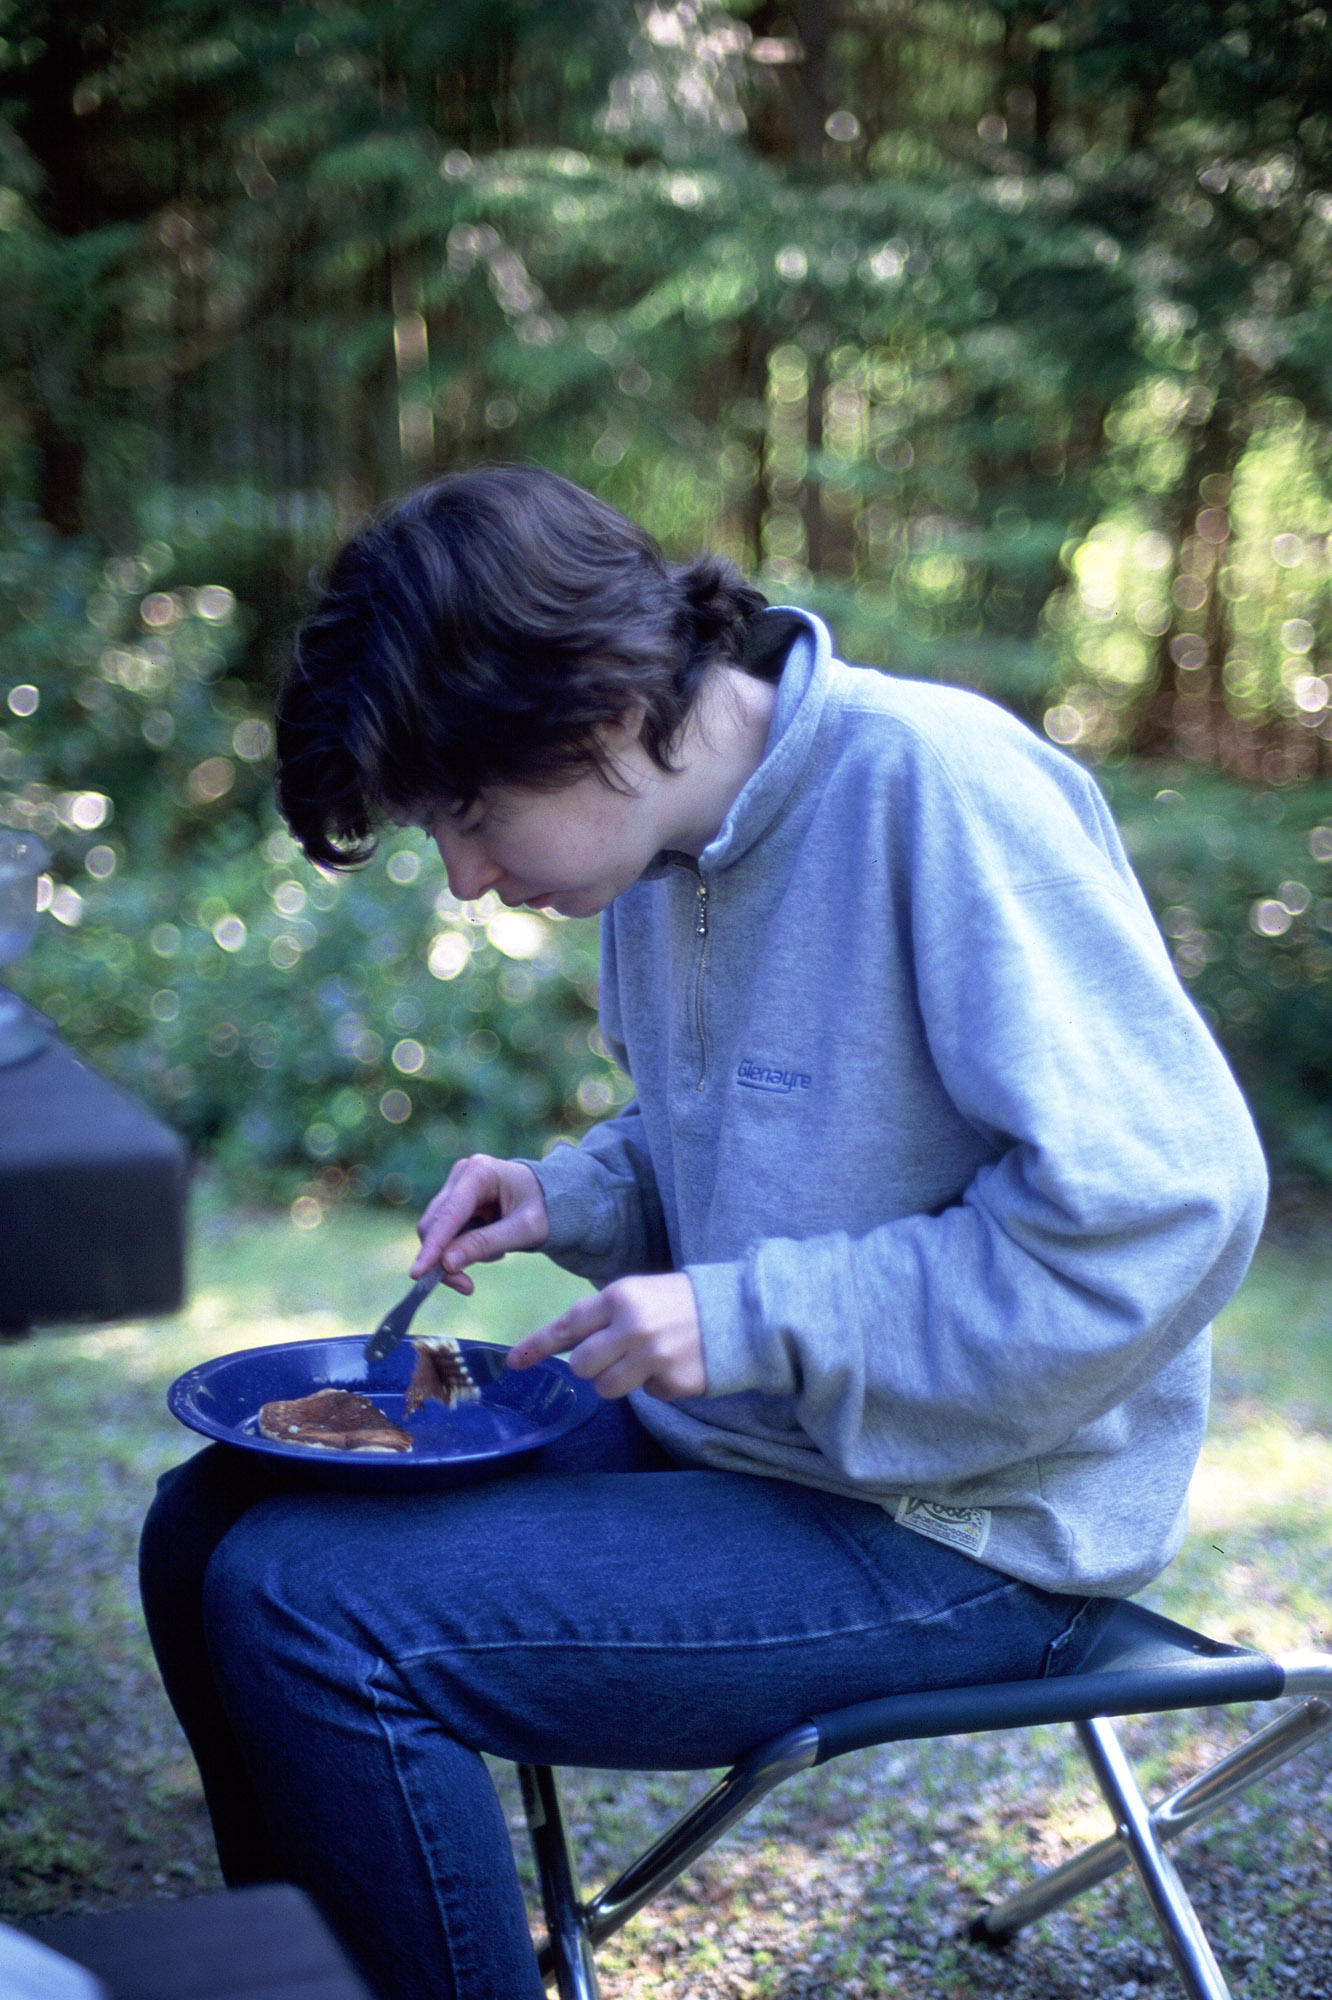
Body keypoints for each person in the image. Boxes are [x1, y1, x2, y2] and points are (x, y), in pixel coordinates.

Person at [140, 464, 1268, 2000]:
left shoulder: (937, 791)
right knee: (209, 1522)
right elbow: (762, 1142)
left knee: (304, 1605)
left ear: (607, 712)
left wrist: (749, 1317)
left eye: (469, 813)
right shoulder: (658, 854)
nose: (463, 877)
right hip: (749, 1448)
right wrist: (575, 1193)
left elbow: (1166, 1203)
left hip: (965, 1522)